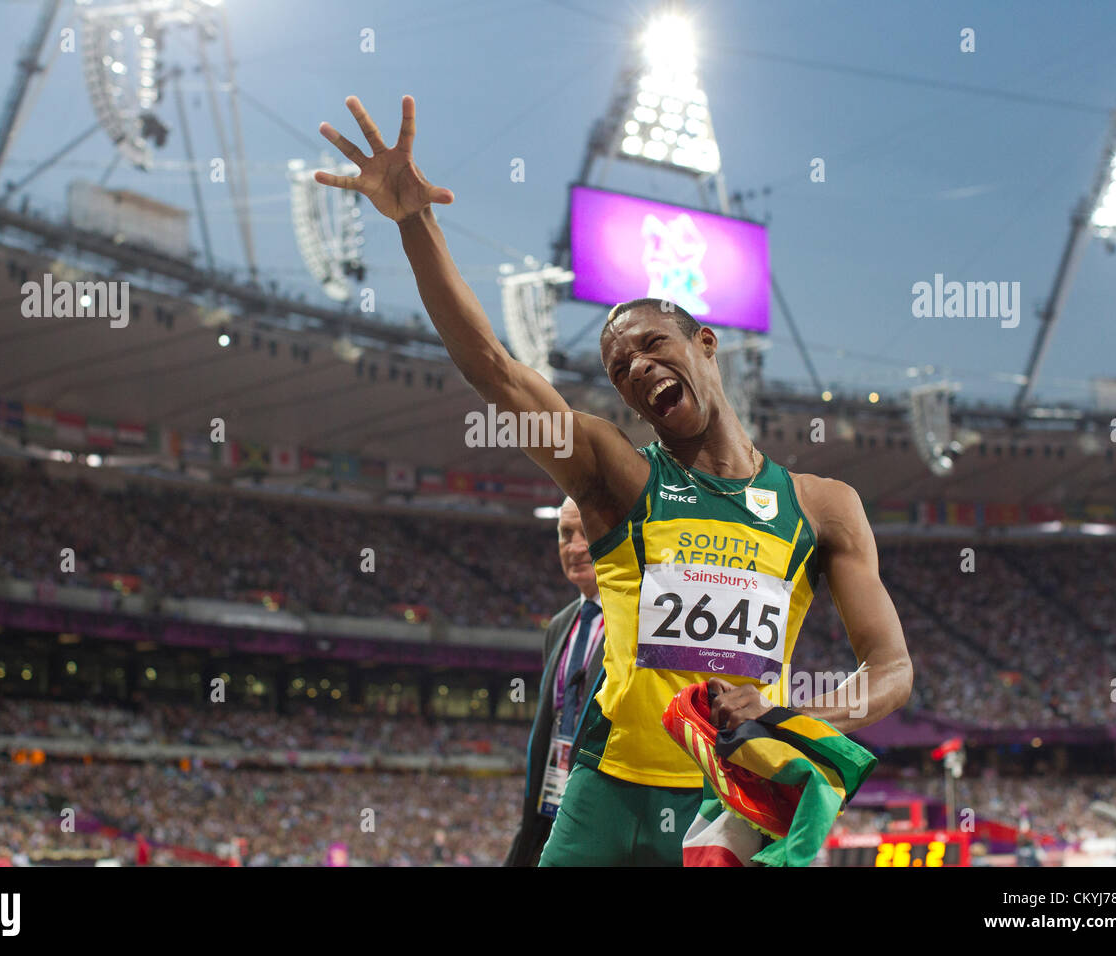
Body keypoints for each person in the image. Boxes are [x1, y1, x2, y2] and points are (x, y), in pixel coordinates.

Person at [316, 96, 912, 866]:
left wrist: (788, 709)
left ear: (705, 342)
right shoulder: (616, 475)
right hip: (604, 791)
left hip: (726, 804)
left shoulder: (823, 507)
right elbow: (496, 372)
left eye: (653, 346)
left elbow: (891, 671)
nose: (637, 369)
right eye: (619, 368)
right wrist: (413, 222)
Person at [505, 497, 606, 867]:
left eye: (588, 532)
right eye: (566, 535)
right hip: (551, 806)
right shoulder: (561, 624)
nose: (576, 547)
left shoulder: (640, 621)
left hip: (600, 822)